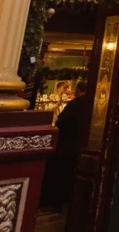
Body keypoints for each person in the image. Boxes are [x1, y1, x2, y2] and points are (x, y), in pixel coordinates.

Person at [41, 80, 89, 209]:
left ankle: (53, 202)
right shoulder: (90, 105)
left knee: (59, 174)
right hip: (79, 146)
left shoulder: (75, 104)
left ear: (78, 90)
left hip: (66, 146)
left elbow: (61, 122)